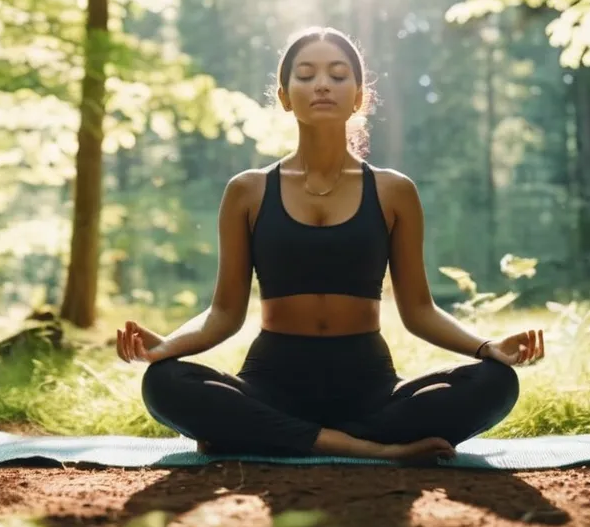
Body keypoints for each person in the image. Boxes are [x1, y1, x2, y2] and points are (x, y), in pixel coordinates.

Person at [116, 26, 544, 463]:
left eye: (338, 75)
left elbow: (419, 311)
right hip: (271, 383)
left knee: (496, 383)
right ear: (284, 96)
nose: (322, 84)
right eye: (306, 75)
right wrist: (167, 346)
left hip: (368, 388)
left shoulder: (394, 191)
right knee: (163, 382)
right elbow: (224, 313)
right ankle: (362, 447)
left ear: (359, 96)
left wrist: (486, 348)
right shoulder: (248, 191)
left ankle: (265, 437)